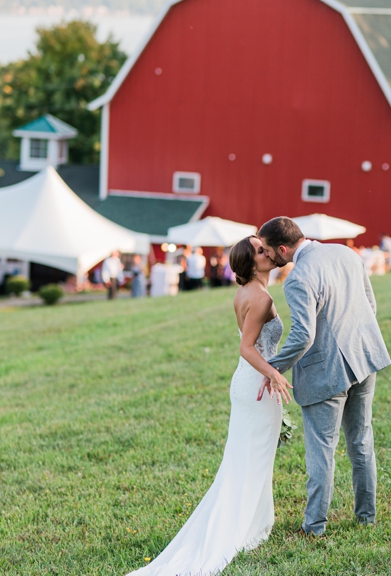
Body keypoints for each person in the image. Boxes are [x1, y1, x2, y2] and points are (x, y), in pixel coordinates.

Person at [128, 237, 292, 575]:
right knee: (251, 460)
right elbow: (247, 348)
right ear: (250, 264)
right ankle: (239, 530)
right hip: (256, 386)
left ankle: (254, 524)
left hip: (247, 383)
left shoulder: (243, 293)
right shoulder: (260, 298)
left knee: (245, 459)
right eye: (261, 251)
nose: (268, 252)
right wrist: (274, 374)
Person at [258, 216, 391, 537]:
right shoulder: (347, 254)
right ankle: (366, 517)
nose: (265, 257)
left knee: (322, 450)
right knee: (361, 442)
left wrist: (272, 368)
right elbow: (370, 305)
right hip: (365, 358)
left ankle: (314, 525)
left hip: (326, 371)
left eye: (265, 250)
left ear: (281, 249)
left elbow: (303, 336)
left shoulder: (297, 278)